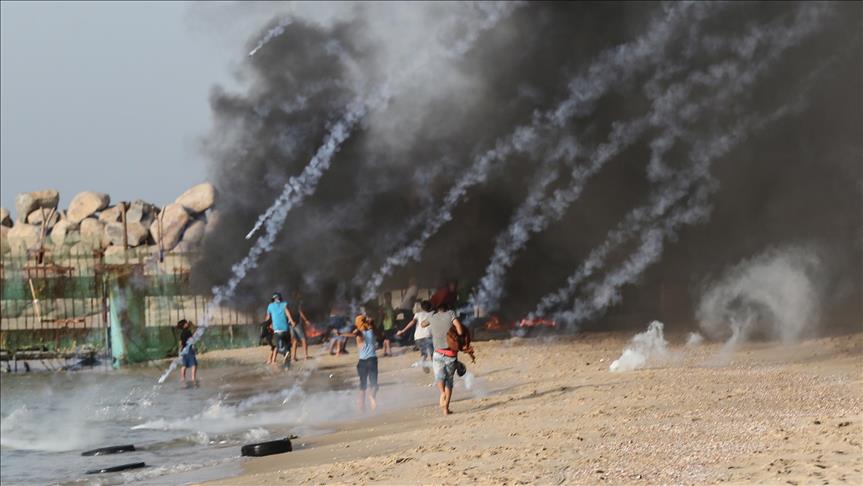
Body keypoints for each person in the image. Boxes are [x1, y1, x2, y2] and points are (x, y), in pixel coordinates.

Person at [421, 302, 465, 415]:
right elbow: (459, 327)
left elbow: (423, 324)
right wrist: (459, 336)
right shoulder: (451, 314)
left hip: (438, 353)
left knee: (439, 377)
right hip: (451, 353)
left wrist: (430, 317)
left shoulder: (432, 316)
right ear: (447, 307)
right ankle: (446, 409)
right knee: (449, 381)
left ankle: (442, 393)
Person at [340, 306, 381, 412]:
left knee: (362, 387)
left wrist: (341, 334)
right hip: (372, 360)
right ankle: (372, 398)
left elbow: (354, 333)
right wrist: (371, 322)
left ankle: (362, 409)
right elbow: (378, 332)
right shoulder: (371, 330)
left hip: (362, 362)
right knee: (374, 385)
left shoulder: (359, 333)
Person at [396, 299, 433, 372]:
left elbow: (412, 323)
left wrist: (403, 330)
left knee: (424, 353)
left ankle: (423, 362)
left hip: (418, 337)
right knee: (432, 353)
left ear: (422, 307)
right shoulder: (432, 314)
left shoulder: (418, 314)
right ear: (430, 307)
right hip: (428, 335)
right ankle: (436, 367)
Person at [265, 292, 292, 366]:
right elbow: (288, 313)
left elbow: (267, 318)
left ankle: (285, 353)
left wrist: (266, 325)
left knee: (279, 347)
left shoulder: (270, 306)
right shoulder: (284, 304)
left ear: (273, 299)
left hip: (277, 330)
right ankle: (287, 366)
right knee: (287, 346)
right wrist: (291, 321)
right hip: (286, 329)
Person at [394, 278, 419, 343]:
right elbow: (411, 297)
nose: (409, 282)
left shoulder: (412, 288)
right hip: (407, 308)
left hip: (405, 307)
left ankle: (407, 337)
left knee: (409, 323)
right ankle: (409, 338)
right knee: (411, 323)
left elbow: (410, 297)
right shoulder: (413, 288)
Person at [288, 291, 311, 361]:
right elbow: (300, 312)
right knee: (303, 338)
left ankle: (293, 357)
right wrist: (306, 320)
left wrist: (290, 320)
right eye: (299, 295)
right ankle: (305, 356)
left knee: (294, 340)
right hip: (296, 323)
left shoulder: (288, 303)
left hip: (290, 323)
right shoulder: (298, 302)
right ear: (297, 296)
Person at [177, 319, 198, 386]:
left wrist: (180, 351)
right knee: (194, 365)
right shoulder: (188, 331)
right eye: (186, 323)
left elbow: (180, 342)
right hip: (189, 349)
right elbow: (191, 340)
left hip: (183, 350)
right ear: (184, 325)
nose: (187, 323)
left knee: (184, 365)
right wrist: (194, 348)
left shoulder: (182, 333)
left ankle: (182, 378)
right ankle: (193, 378)